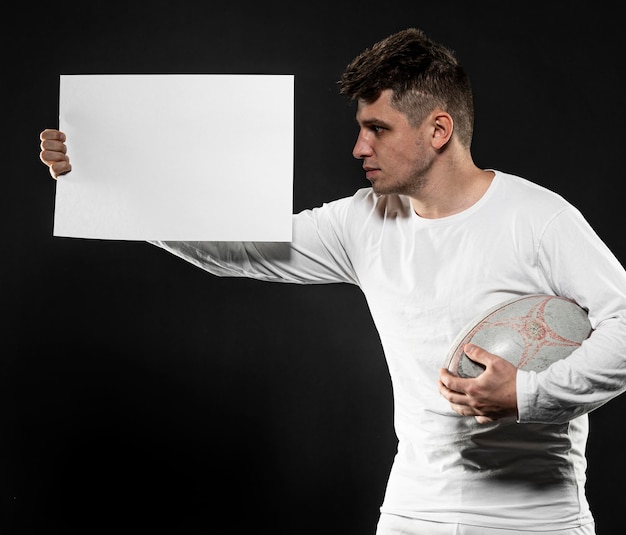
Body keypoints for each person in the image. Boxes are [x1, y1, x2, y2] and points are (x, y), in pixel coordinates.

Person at [39, 28, 626, 535]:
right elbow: (237, 249)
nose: (358, 148)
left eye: (378, 129)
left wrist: (525, 396)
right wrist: (106, 176)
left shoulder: (540, 220)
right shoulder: (364, 219)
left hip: (536, 518)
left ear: (439, 130)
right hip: (411, 512)